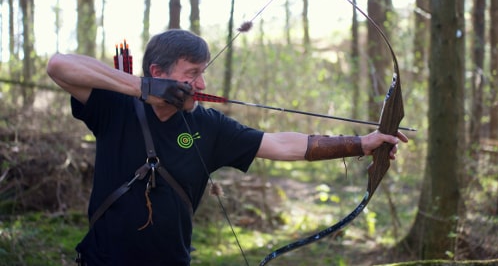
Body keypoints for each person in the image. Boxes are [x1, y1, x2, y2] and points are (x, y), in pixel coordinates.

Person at [47, 29, 408, 266]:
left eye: (202, 72)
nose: (201, 82)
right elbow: (59, 65)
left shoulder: (208, 126)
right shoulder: (116, 107)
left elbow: (280, 144)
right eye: (191, 74)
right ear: (157, 72)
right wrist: (140, 88)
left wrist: (361, 143)